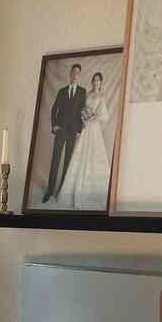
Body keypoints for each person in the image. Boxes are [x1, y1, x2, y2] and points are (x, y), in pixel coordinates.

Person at [57, 71, 111, 211]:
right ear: (92, 81)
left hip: (94, 129)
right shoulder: (87, 94)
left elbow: (103, 115)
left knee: (93, 156)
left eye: (98, 80)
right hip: (85, 128)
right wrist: (83, 117)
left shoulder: (101, 96)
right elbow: (81, 109)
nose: (96, 82)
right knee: (79, 156)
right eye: (94, 80)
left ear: (101, 82)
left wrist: (92, 118)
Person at [43, 63, 87, 203]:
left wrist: (79, 130)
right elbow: (54, 109)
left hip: (73, 132)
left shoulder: (82, 92)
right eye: (73, 72)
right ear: (70, 74)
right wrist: (55, 125)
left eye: (77, 73)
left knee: (68, 162)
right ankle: (49, 191)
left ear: (79, 76)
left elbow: (82, 112)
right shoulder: (62, 91)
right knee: (55, 160)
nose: (75, 75)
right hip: (61, 130)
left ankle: (61, 191)